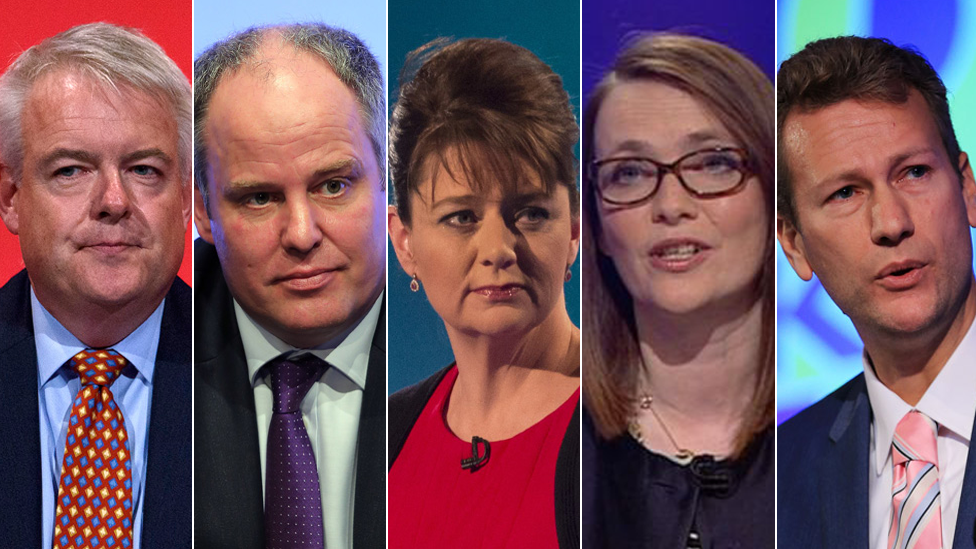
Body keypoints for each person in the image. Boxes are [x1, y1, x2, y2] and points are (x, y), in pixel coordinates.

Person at [192, 23, 386, 549]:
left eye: (333, 185)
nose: (302, 234)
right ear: (203, 213)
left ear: (389, 178)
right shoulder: (157, 350)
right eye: (259, 198)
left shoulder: (462, 337)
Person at [777, 36, 976, 549]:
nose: (890, 223)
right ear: (795, 245)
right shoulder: (775, 483)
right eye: (845, 192)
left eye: (913, 172)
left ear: (967, 189)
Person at [0, 23, 192, 548]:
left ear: (184, 198)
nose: (113, 200)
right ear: (11, 197)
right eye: (71, 170)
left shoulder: (256, 381)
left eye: (144, 169)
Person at [581, 33, 776, 548]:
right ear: (598, 227)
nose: (670, 205)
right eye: (629, 172)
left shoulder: (848, 434)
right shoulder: (555, 451)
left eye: (713, 163)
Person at [386, 38, 581, 548]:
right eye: (462, 217)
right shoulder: (383, 439)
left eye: (531, 213)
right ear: (404, 242)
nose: (498, 248)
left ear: (575, 230)